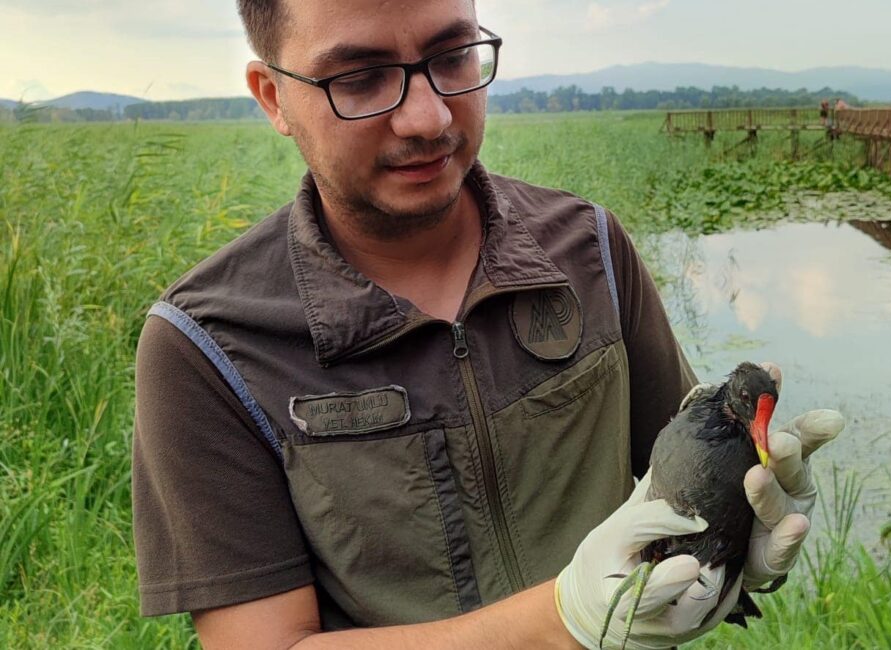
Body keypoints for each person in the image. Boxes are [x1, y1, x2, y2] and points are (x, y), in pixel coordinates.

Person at [131, 1, 844, 648]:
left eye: (452, 58)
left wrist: (743, 533)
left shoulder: (589, 249)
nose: (429, 118)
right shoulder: (207, 345)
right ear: (273, 97)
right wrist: (562, 619)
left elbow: (680, 475)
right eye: (362, 79)